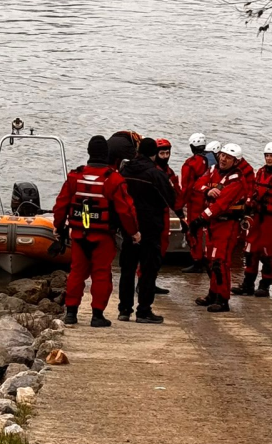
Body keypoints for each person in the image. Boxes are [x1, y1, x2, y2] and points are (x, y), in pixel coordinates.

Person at [51, 135, 141, 327]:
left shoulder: (75, 176)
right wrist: (134, 232)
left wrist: (58, 227)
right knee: (101, 274)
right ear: (106, 154)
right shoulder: (114, 179)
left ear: (89, 152)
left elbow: (61, 205)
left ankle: (71, 313)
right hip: (103, 236)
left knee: (76, 273)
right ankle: (97, 315)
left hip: (78, 234)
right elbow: (126, 210)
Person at [117, 137, 176, 323]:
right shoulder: (156, 174)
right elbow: (170, 199)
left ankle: (124, 310)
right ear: (154, 154)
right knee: (148, 270)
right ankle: (143, 311)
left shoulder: (124, 170)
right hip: (150, 227)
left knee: (127, 269)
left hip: (130, 227)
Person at [188, 142, 252, 312]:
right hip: (213, 224)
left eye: (228, 157)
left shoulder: (237, 181)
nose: (223, 159)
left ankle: (223, 299)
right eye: (222, 155)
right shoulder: (212, 170)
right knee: (210, 259)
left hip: (227, 225)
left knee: (220, 262)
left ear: (236, 161)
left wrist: (200, 219)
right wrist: (208, 189)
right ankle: (213, 293)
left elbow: (221, 205)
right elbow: (197, 185)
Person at [233, 142, 272, 297]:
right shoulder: (260, 172)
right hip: (257, 217)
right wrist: (247, 206)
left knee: (268, 253)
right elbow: (254, 192)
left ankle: (265, 285)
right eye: (267, 156)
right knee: (250, 250)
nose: (268, 159)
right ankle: (247, 285)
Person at [179, 133, 211, 273]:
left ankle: (197, 261)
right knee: (209, 230)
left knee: (193, 230)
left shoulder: (190, 163)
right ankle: (208, 258)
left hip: (196, 200)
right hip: (210, 200)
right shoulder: (214, 158)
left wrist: (179, 204)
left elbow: (186, 187)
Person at [151, 138, 178, 294]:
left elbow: (176, 193)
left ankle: (151, 280)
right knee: (151, 250)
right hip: (153, 215)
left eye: (168, 153)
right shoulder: (153, 172)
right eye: (162, 153)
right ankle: (143, 282)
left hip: (164, 213)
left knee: (161, 248)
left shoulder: (169, 172)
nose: (165, 156)